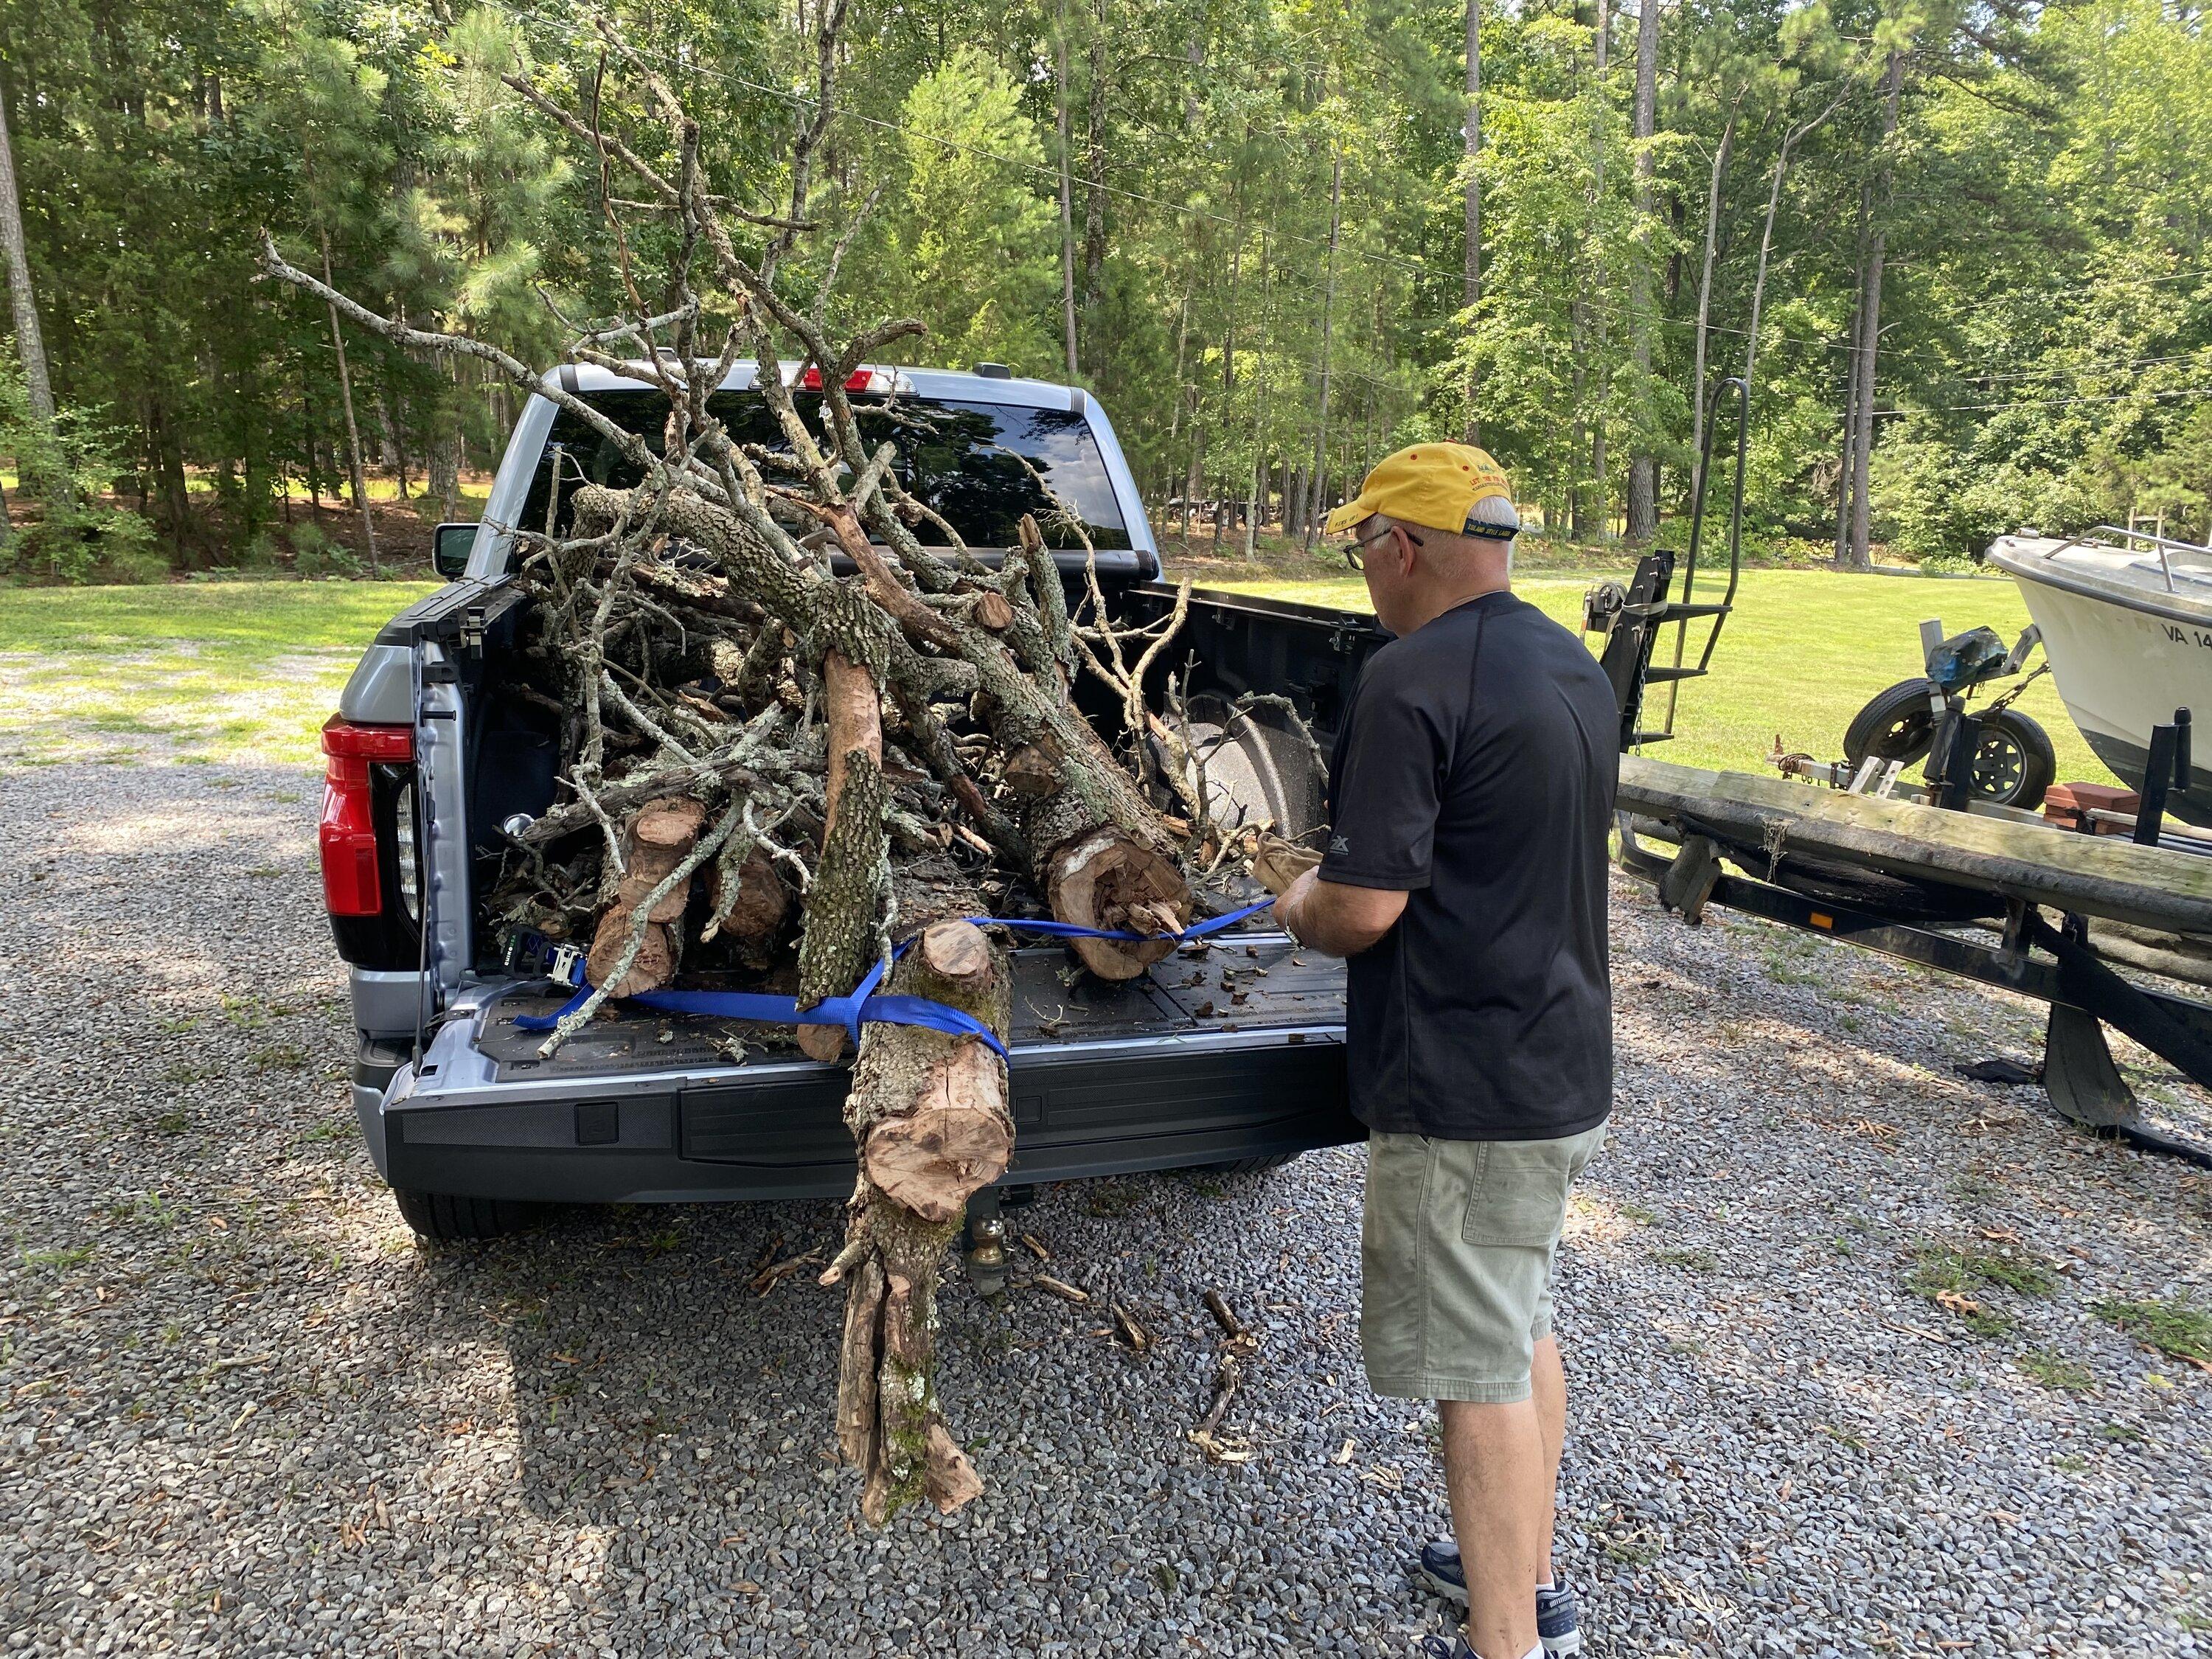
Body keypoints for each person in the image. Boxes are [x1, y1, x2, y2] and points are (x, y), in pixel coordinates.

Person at [1269, 444, 1617, 1659]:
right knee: (1517, 1322)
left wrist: (1292, 902)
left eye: (1367, 544)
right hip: (1560, 1058)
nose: (1367, 571)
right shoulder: (1571, 663)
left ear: (1399, 548)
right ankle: (1533, 1574)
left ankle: (1511, 1639)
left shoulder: (1412, 678)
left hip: (1466, 1084)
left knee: (1476, 1369)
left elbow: (1363, 908)